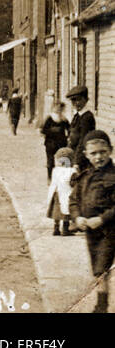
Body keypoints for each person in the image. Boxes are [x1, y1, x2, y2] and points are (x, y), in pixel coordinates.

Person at [69, 130, 115, 312]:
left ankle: (101, 307)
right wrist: (77, 216)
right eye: (93, 153)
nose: (99, 157)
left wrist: (102, 219)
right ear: (86, 155)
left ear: (110, 151)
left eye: (102, 152)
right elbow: (74, 200)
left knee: (100, 268)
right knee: (97, 266)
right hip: (91, 231)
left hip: (109, 230)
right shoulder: (85, 177)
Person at [67, 85, 96, 172]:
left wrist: (77, 162)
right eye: (73, 100)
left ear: (86, 100)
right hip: (73, 153)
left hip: (81, 158)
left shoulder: (87, 117)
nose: (75, 103)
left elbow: (83, 140)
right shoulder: (77, 115)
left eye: (78, 99)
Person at [48, 147, 76, 237]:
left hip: (56, 193)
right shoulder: (72, 171)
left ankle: (56, 228)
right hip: (67, 194)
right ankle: (65, 229)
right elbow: (73, 183)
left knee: (56, 212)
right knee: (66, 213)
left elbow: (53, 182)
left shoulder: (56, 170)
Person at [41, 100, 70, 181]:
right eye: (57, 108)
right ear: (53, 108)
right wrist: (54, 130)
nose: (58, 110)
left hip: (61, 143)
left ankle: (64, 177)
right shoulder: (49, 118)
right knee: (50, 161)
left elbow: (70, 129)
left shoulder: (64, 119)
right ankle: (50, 177)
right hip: (50, 143)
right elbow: (43, 130)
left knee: (64, 159)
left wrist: (68, 137)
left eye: (60, 108)